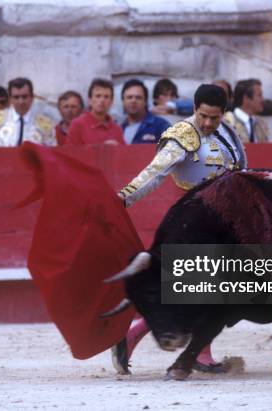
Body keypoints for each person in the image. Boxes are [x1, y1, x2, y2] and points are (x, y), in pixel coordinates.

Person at [113, 84, 247, 374]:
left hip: (225, 223)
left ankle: (130, 338)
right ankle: (199, 353)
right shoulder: (183, 134)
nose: (208, 123)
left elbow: (242, 174)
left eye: (215, 117)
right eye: (203, 116)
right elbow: (154, 172)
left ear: (223, 113)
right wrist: (123, 198)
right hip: (193, 223)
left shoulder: (229, 131)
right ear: (194, 109)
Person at [0, 77, 56, 147]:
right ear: (10, 98)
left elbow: (51, 155)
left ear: (32, 97)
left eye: (24, 97)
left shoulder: (46, 124)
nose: (21, 101)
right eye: (16, 97)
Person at [66, 78, 124, 146]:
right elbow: (70, 154)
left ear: (111, 102)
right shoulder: (77, 125)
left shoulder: (117, 129)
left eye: (106, 97)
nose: (102, 100)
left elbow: (123, 154)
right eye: (98, 96)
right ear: (90, 100)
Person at [120, 79, 170, 144]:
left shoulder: (161, 126)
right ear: (123, 101)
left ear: (145, 102)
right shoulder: (117, 129)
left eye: (138, 97)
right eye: (129, 97)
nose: (133, 101)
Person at [223, 79, 270, 143]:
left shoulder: (261, 124)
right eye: (259, 95)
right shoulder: (227, 121)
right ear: (246, 98)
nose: (263, 99)